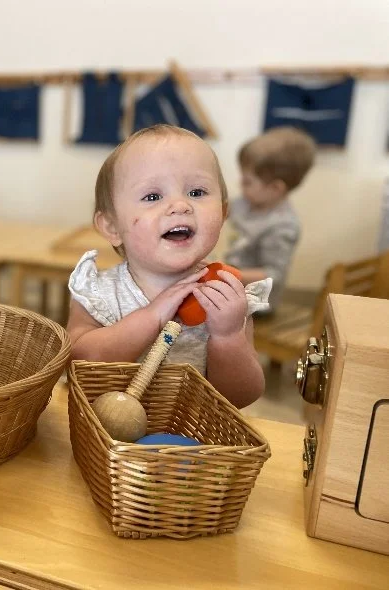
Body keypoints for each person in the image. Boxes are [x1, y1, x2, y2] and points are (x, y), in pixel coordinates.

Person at [67, 125, 270, 408]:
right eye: (152, 197)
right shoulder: (99, 293)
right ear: (112, 226)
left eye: (197, 192)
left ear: (223, 213)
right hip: (106, 438)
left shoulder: (226, 293)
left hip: (188, 438)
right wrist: (152, 317)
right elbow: (78, 362)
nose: (180, 205)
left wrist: (228, 336)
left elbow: (241, 397)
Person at [225, 126, 316, 312]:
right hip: (230, 285)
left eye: (247, 181)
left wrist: (227, 274)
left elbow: (273, 274)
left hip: (256, 301)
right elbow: (223, 211)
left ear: (275, 188)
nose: (240, 184)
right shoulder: (245, 202)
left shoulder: (283, 226)